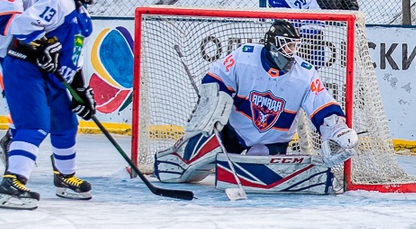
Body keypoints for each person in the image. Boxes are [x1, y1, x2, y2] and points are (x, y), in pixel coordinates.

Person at [154, 19, 359, 185]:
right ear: (274, 45)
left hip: (272, 140)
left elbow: (321, 103)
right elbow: (215, 80)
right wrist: (213, 106)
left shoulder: (304, 74)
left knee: (255, 163)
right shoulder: (244, 57)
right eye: (288, 45)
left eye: (294, 46)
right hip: (234, 130)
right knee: (187, 164)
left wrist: (336, 129)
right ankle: (172, 160)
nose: (292, 52)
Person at [0, 0, 103, 210]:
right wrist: (40, 44)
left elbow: (74, 57)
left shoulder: (82, 17)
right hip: (25, 70)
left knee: (66, 125)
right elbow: (22, 26)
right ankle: (12, 182)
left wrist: (80, 91)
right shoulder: (59, 1)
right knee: (34, 126)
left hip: (51, 77)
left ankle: (65, 178)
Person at [0, 0, 65, 169]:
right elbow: (5, 23)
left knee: (55, 107)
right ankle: (13, 145)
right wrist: (37, 39)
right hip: (7, 57)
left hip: (38, 58)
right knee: (19, 109)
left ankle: (62, 162)